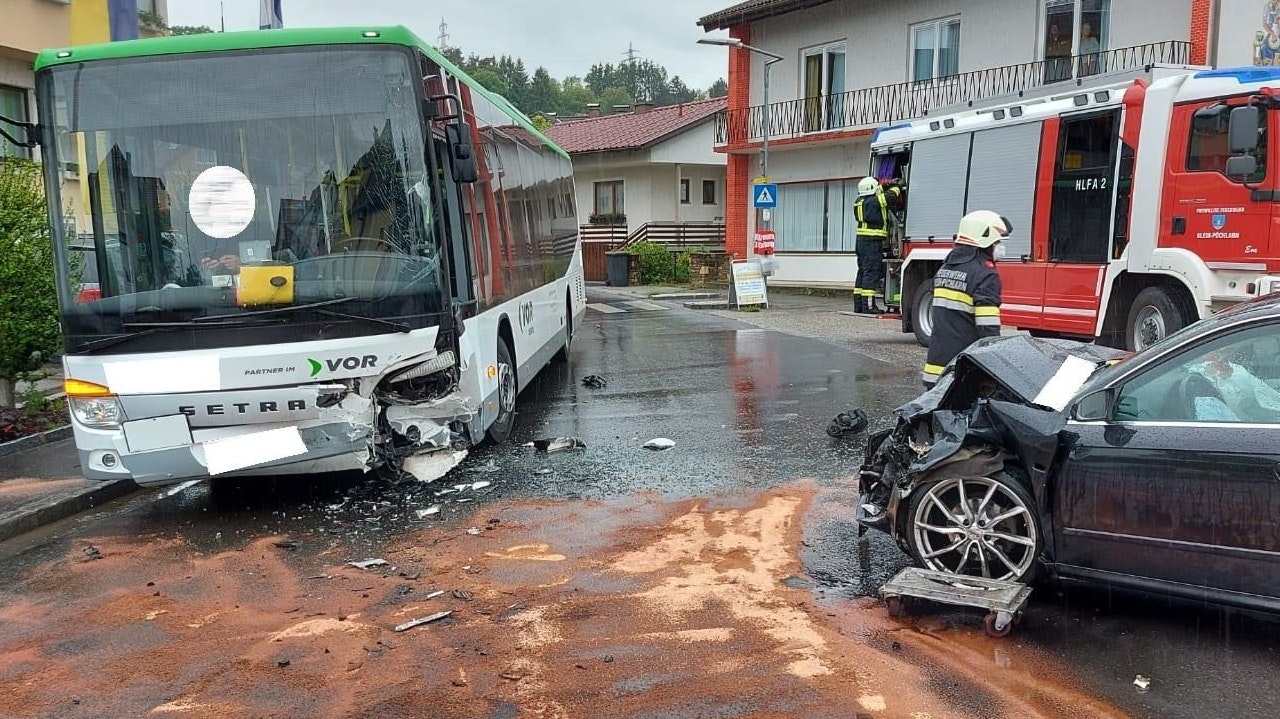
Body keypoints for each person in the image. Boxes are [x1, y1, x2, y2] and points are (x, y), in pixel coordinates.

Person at [922, 210, 1010, 388]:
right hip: (962, 373)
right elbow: (988, 333)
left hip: (935, 368)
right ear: (985, 239)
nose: (1000, 246)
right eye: (997, 241)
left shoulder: (946, 267)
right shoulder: (985, 274)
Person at [852, 176, 889, 314]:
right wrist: (896, 186)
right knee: (871, 273)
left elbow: (879, 194)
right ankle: (868, 306)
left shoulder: (860, 201)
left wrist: (883, 186)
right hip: (871, 243)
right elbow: (890, 197)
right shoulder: (873, 201)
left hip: (861, 242)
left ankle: (859, 306)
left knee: (862, 272)